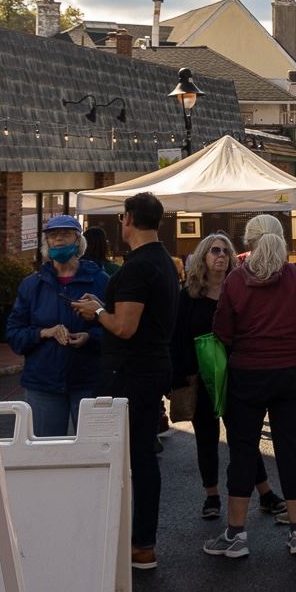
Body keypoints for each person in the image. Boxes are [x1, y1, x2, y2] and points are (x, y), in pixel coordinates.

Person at [71, 191, 180, 571]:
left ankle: (138, 543)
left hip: (131, 372)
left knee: (131, 457)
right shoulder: (163, 261)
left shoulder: (139, 266)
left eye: (122, 218)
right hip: (149, 366)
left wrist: (97, 310)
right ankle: (139, 542)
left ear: (129, 219)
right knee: (140, 454)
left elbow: (125, 326)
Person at [202, 215, 296, 559]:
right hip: (291, 372)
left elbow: (222, 330)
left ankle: (236, 534)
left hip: (247, 373)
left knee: (242, 452)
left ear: (248, 243)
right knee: (290, 450)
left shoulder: (237, 280)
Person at [169, 233, 283, 521]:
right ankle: (211, 497)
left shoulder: (239, 289)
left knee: (243, 438)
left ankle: (266, 493)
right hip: (200, 378)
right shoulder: (189, 295)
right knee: (206, 438)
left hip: (238, 374)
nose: (220, 255)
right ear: (203, 257)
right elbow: (178, 337)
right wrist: (179, 376)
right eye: (214, 250)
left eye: (225, 251)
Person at [8, 215, 108, 437]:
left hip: (88, 380)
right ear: (46, 244)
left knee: (95, 451)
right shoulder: (32, 285)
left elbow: (116, 328)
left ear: (78, 241)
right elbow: (14, 334)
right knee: (47, 454)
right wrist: (45, 332)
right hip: (43, 383)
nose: (59, 240)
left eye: (66, 234)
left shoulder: (100, 281)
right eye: (53, 235)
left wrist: (89, 337)